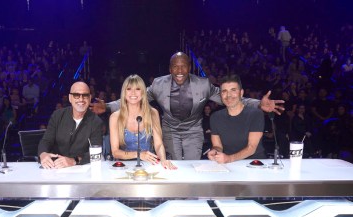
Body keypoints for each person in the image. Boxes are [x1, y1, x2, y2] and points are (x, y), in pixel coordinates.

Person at [92, 52, 283, 160]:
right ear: (170, 69)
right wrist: (108, 107)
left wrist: (258, 104)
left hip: (193, 129)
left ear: (189, 67)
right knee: (175, 164)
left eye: (183, 66)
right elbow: (135, 97)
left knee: (191, 165)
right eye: (175, 66)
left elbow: (229, 98)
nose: (180, 70)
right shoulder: (159, 84)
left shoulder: (203, 84)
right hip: (170, 129)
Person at [109, 74, 176, 169]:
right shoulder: (115, 117)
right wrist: (139, 154)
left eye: (137, 89)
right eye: (129, 89)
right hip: (124, 167)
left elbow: (158, 144)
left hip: (149, 165)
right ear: (124, 92)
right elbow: (115, 152)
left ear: (143, 92)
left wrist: (163, 160)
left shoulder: (152, 113)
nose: (133, 93)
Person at [38, 81, 103, 169]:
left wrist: (74, 160)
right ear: (70, 98)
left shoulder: (96, 122)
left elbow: (96, 153)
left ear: (90, 98)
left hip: (81, 171)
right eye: (76, 95)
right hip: (55, 169)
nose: (81, 99)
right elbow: (46, 140)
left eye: (85, 95)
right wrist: (43, 154)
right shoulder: (57, 115)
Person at [207, 75, 266, 163]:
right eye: (224, 91)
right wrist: (215, 151)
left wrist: (229, 159)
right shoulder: (215, 117)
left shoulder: (255, 114)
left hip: (254, 164)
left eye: (233, 90)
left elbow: (251, 148)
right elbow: (218, 146)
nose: (228, 95)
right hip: (227, 165)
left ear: (241, 93)